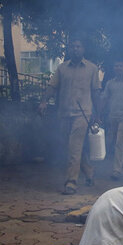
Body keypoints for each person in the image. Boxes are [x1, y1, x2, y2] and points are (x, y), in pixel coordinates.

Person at [38, 39, 101, 195]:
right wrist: (44, 101)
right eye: (72, 46)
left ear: (83, 49)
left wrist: (98, 114)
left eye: (78, 46)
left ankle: (71, 182)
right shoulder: (62, 68)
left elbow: (96, 93)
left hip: (82, 113)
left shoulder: (92, 69)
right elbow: (53, 86)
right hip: (64, 113)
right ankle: (89, 171)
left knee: (74, 146)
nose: (75, 49)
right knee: (71, 147)